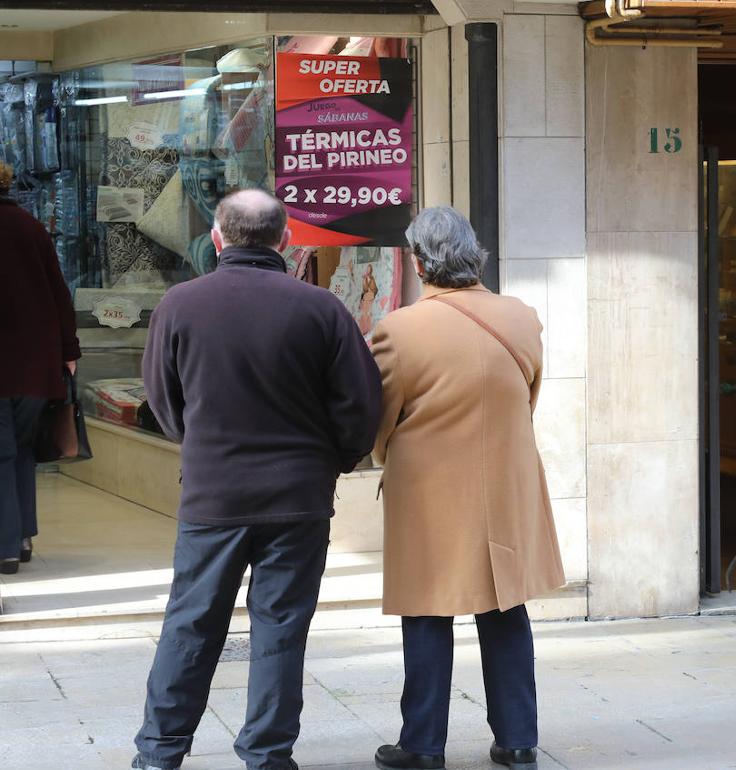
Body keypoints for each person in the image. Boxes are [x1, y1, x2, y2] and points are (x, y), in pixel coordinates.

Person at [131, 189, 382, 770]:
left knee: (190, 626)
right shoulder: (320, 308)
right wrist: (332, 462)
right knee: (280, 629)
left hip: (213, 496)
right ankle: (267, 755)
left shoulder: (180, 305)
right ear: (285, 239)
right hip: (297, 498)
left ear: (216, 239)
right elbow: (360, 406)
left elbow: (163, 401)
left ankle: (159, 753)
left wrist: (200, 450)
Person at [370, 207, 565, 770]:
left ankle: (423, 745)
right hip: (504, 484)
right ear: (473, 253)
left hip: (429, 494)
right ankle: (519, 741)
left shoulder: (400, 330)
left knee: (427, 613)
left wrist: (389, 453)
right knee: (506, 609)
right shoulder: (521, 316)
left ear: (417, 260)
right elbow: (527, 397)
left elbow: (381, 422)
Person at [0, 160, 80, 575]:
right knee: (22, 451)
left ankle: (6, 546)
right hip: (35, 366)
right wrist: (69, 351)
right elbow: (58, 291)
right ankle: (23, 534)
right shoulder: (30, 227)